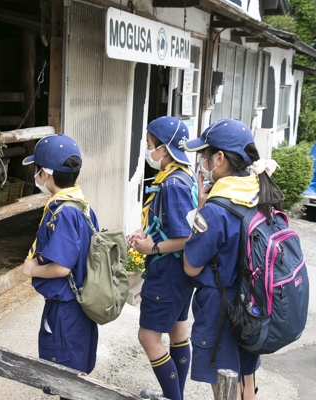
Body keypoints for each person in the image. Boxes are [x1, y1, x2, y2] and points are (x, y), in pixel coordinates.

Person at [182, 118, 282, 400]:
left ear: (220, 158)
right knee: (246, 380)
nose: (203, 162)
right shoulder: (261, 192)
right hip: (255, 302)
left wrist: (201, 208)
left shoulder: (216, 208)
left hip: (221, 308)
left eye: (205, 155)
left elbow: (192, 266)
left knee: (226, 388)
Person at [21, 133, 99, 398]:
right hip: (81, 305)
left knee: (65, 378)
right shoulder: (81, 205)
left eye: (36, 171)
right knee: (76, 374)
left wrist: (33, 270)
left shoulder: (63, 213)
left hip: (66, 310)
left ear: (45, 173)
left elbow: (61, 267)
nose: (36, 177)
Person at [127, 116, 195, 400]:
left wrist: (150, 249)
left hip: (168, 271)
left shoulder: (172, 185)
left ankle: (173, 397)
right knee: (178, 332)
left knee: (148, 338)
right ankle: (174, 394)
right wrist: (146, 236)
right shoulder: (181, 175)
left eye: (149, 145)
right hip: (179, 272)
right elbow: (169, 226)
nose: (147, 150)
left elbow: (186, 235)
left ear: (164, 149)